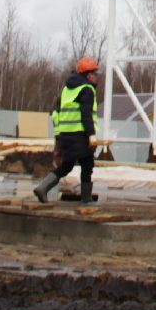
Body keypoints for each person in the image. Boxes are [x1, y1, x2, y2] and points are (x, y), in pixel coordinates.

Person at [32, 58, 100, 204]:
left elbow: (57, 110)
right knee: (87, 164)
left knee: (67, 165)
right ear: (88, 75)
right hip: (79, 134)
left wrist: (58, 134)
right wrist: (91, 135)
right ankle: (86, 199)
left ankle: (43, 188)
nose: (96, 77)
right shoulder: (87, 90)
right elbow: (86, 114)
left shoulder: (67, 89)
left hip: (65, 135)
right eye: (95, 73)